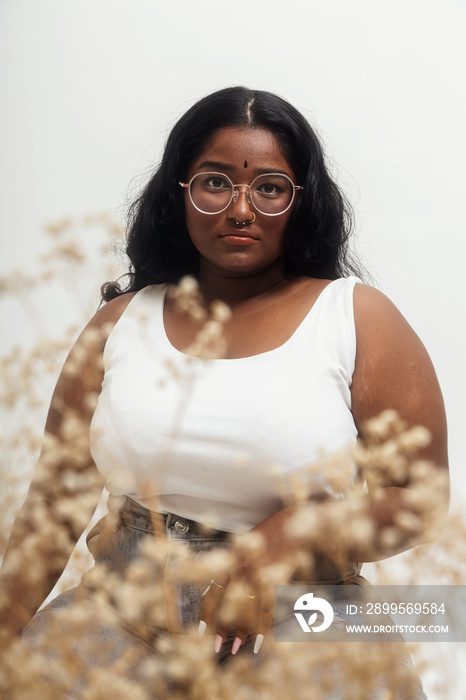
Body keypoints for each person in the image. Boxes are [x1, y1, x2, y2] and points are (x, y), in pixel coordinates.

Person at [0, 87, 448, 699]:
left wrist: (295, 532)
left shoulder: (355, 317)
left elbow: (422, 500)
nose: (241, 209)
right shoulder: (120, 324)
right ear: (179, 194)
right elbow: (50, 518)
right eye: (216, 183)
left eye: (269, 187)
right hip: (123, 620)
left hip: (308, 625)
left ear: (300, 200)